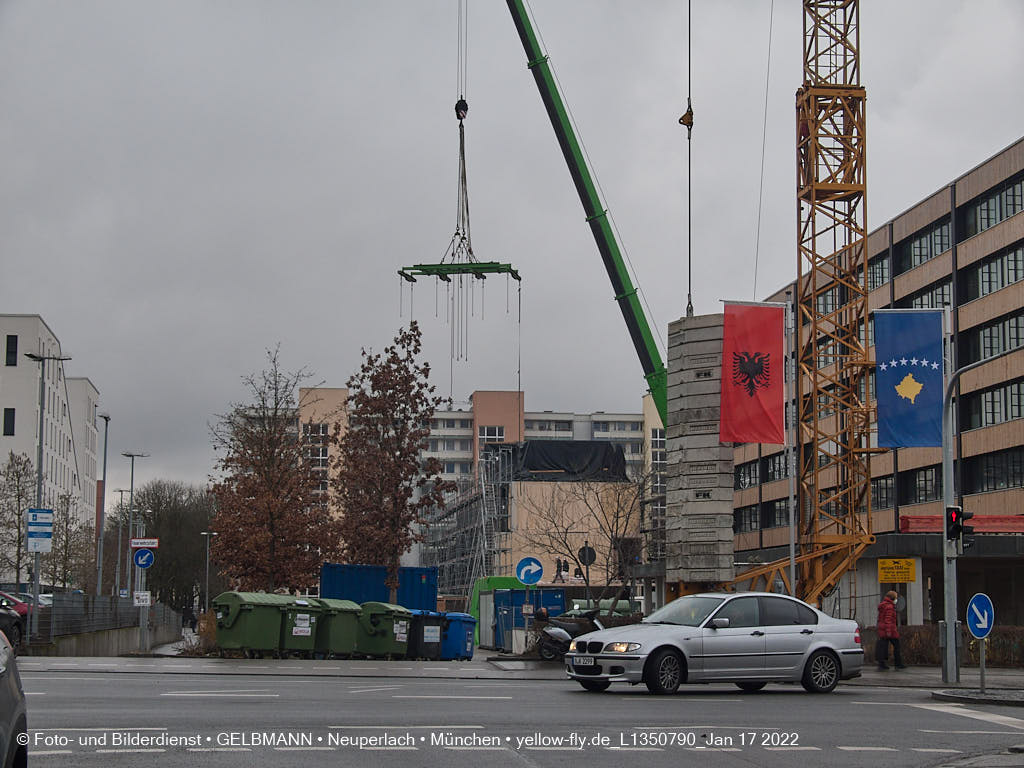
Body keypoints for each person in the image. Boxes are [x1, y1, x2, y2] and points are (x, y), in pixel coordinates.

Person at [876, 590, 905, 670]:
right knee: (897, 646)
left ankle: (881, 664)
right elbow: (888, 620)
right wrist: (888, 631)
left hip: (882, 629)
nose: (896, 599)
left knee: (882, 647)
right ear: (892, 598)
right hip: (890, 630)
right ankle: (898, 664)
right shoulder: (890, 607)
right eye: (896, 598)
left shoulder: (883, 605)